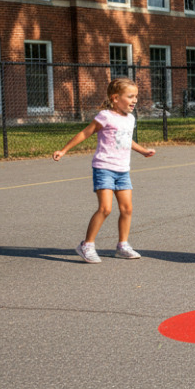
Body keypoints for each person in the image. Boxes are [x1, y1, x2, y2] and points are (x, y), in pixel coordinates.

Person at [54, 77, 156, 262]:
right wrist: (63, 150)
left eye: (136, 97)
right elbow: (86, 132)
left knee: (127, 209)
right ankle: (87, 245)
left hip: (123, 169)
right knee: (105, 208)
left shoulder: (130, 118)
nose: (135, 100)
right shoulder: (105, 116)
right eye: (130, 96)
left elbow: (125, 139)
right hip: (104, 167)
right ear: (116, 98)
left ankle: (122, 245)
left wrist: (142, 150)